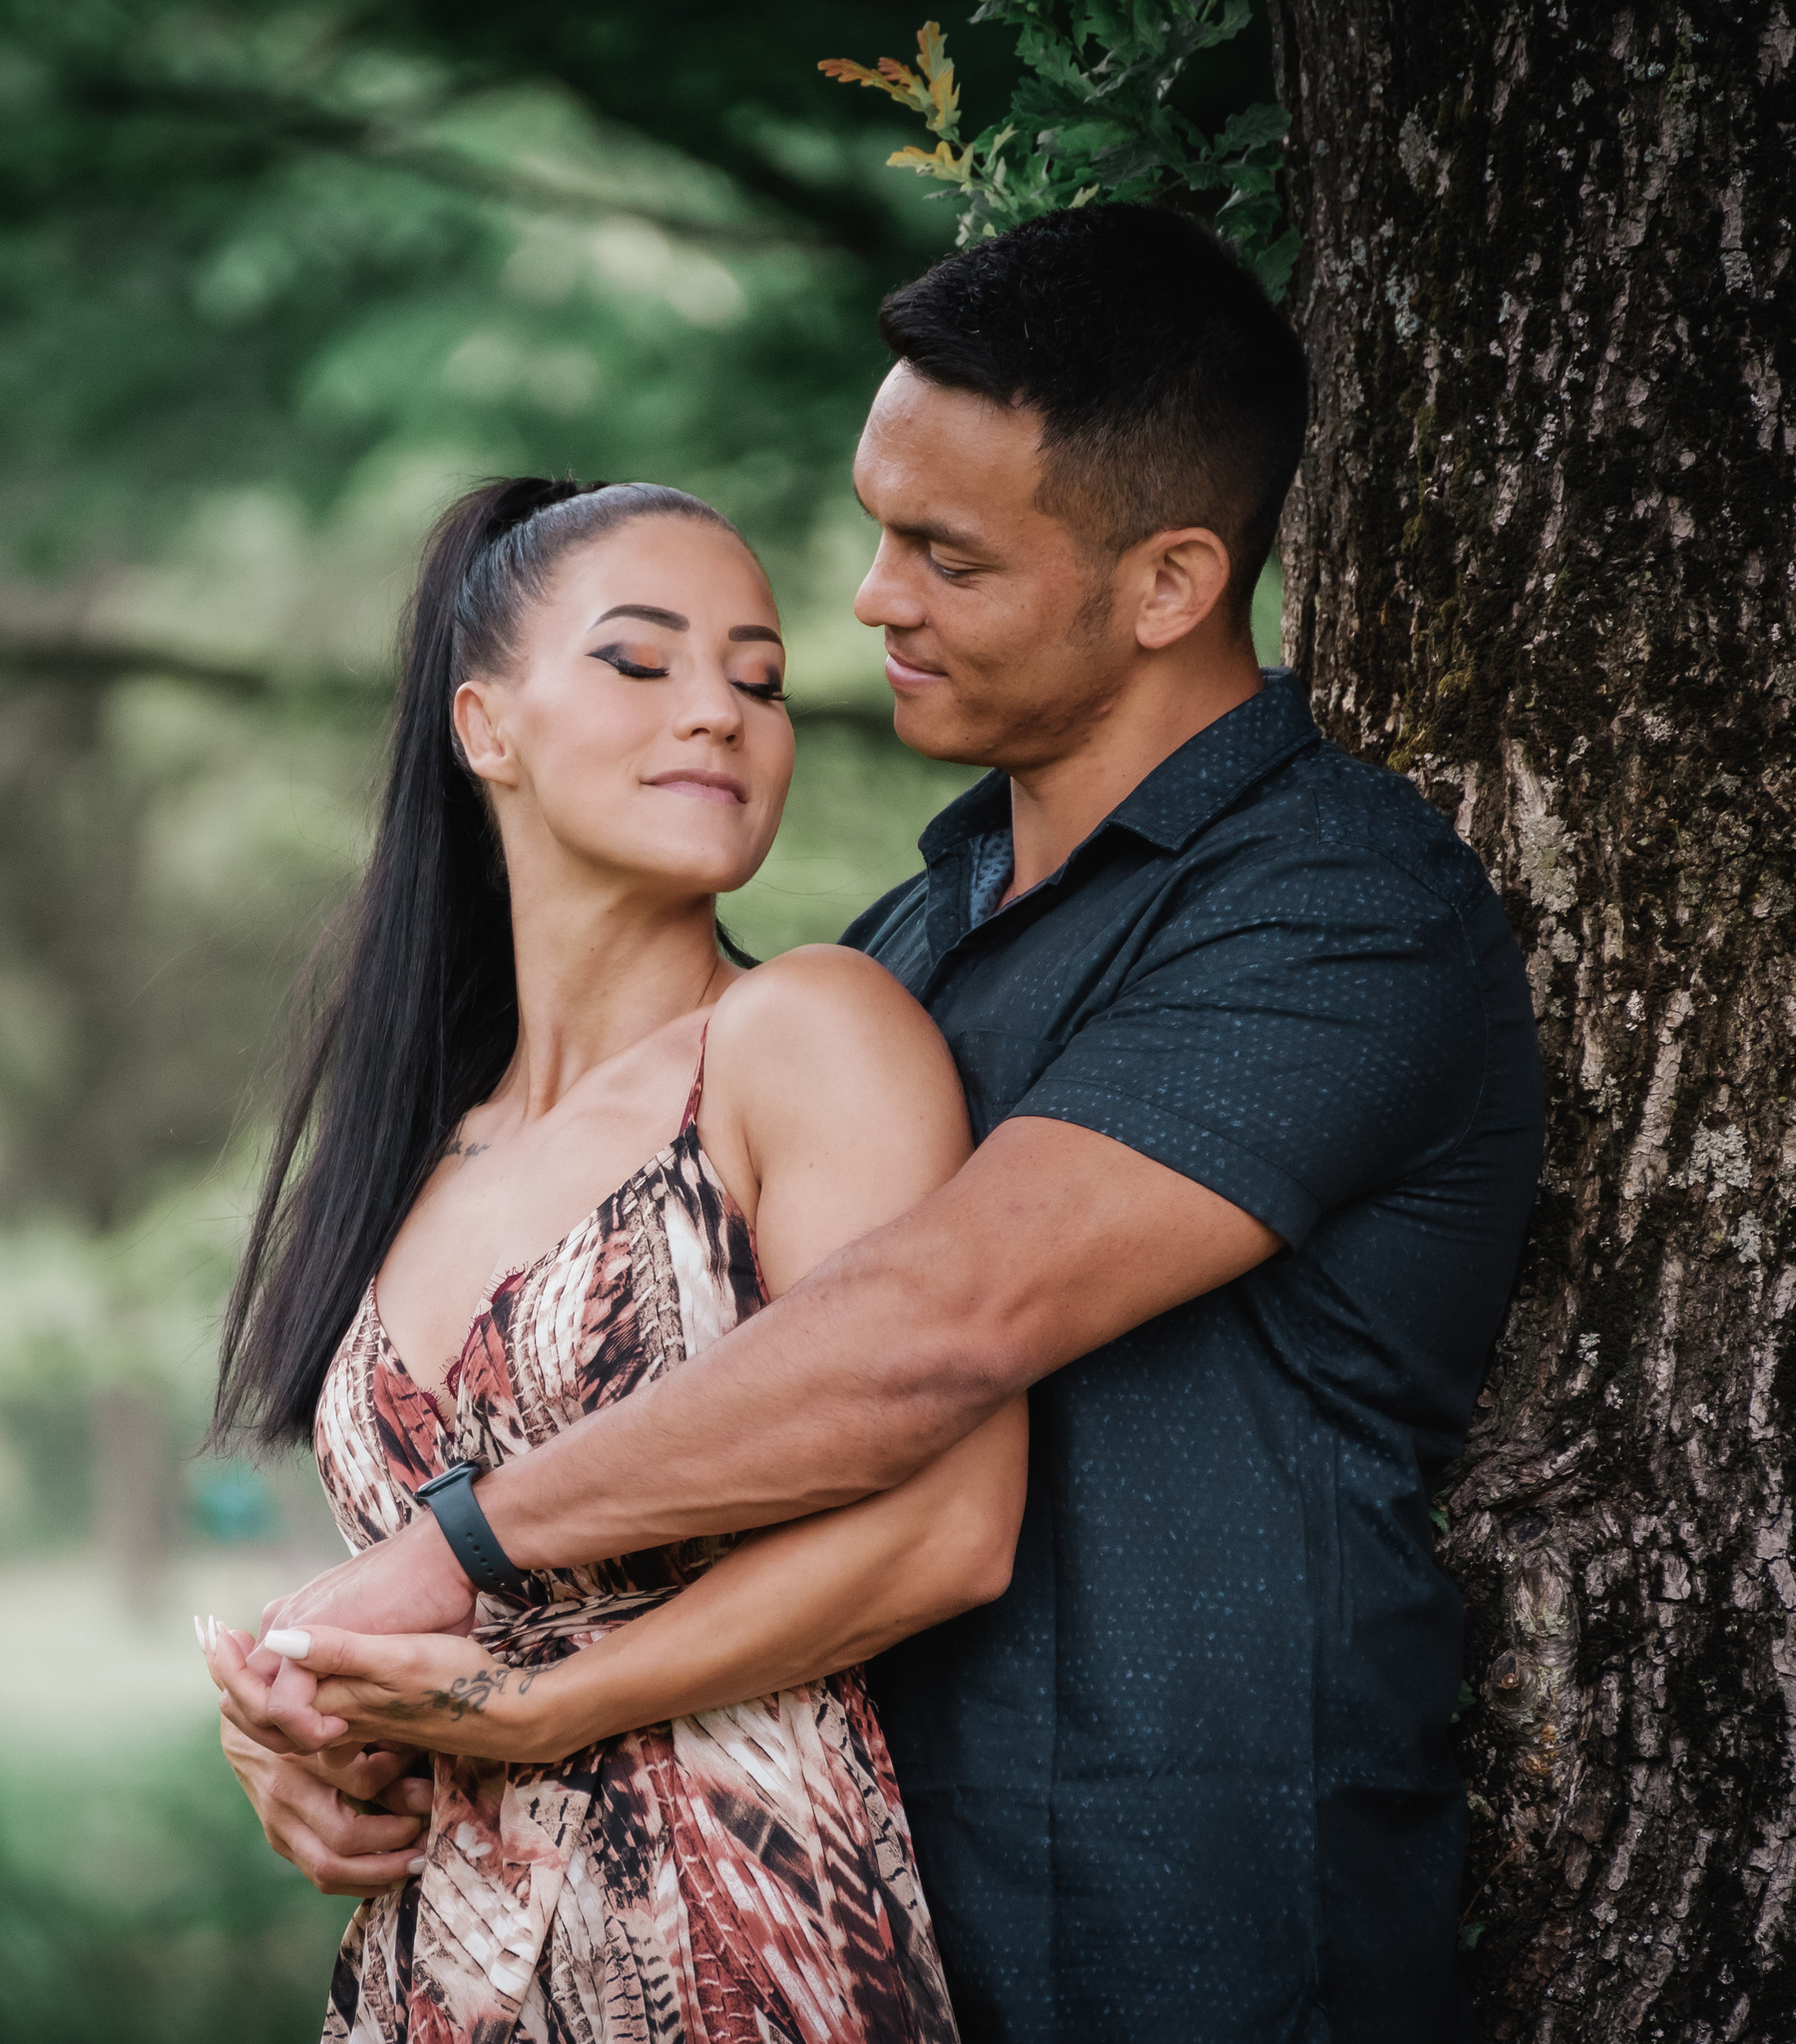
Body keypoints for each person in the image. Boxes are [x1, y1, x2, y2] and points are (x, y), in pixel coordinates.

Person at [221, 206, 1547, 2042]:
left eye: (947, 554)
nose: (871, 600)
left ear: (1169, 585)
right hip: (837, 1920)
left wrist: (456, 1552)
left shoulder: (1335, 907)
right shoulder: (907, 946)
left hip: (1188, 1949)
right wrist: (323, 1714)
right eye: (878, 528)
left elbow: (938, 1325)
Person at [200, 475, 1028, 2042]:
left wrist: (538, 1709)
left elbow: (950, 1529)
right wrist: (297, 1728)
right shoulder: (419, 1144)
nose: (718, 711)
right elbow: (422, 1606)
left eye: (761, 681)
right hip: (434, 1979)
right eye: (641, 662)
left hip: (737, 1948)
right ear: (485, 728)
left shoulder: (806, 1036)